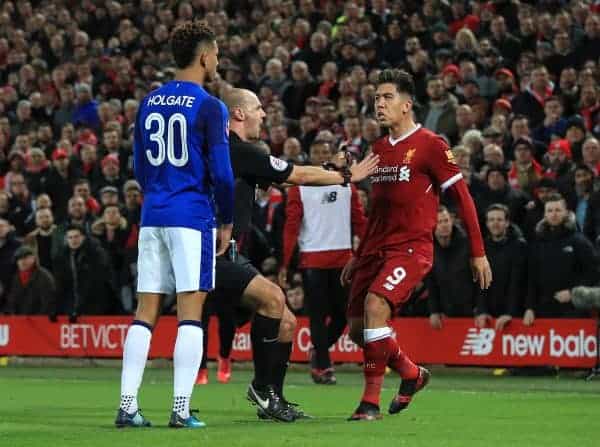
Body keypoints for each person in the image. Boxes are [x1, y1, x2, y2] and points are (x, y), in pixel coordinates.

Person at [212, 87, 377, 422]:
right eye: (258, 108)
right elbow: (298, 175)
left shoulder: (238, 155)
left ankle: (273, 396)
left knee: (285, 322)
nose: (263, 114)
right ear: (239, 114)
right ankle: (261, 389)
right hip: (211, 252)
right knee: (273, 299)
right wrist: (347, 176)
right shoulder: (236, 150)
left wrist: (330, 167)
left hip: (230, 251)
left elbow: (287, 180)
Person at [342, 69, 491, 421]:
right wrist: (360, 254)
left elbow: (463, 199)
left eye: (387, 97)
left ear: (407, 105)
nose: (379, 104)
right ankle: (411, 373)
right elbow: (377, 210)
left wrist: (478, 251)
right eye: (376, 98)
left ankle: (369, 404)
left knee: (377, 307)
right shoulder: (376, 149)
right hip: (374, 249)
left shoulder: (431, 145)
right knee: (357, 330)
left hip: (411, 249)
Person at [115, 21, 235, 429]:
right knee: (190, 312)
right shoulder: (210, 106)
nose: (217, 61)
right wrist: (227, 219)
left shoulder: (149, 102)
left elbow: (138, 167)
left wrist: (160, 194)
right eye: (216, 54)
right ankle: (181, 409)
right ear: (204, 56)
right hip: (191, 216)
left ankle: (127, 406)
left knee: (144, 311)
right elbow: (222, 174)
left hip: (153, 215)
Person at [280, 140, 367, 385]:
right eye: (316, 152)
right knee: (317, 316)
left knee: (343, 316)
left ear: (331, 156)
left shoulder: (346, 184)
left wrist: (371, 247)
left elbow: (360, 221)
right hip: (312, 259)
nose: (320, 156)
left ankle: (319, 352)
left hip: (343, 259)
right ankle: (323, 366)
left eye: (324, 152)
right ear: (310, 155)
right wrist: (284, 263)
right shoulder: (301, 186)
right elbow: (291, 226)